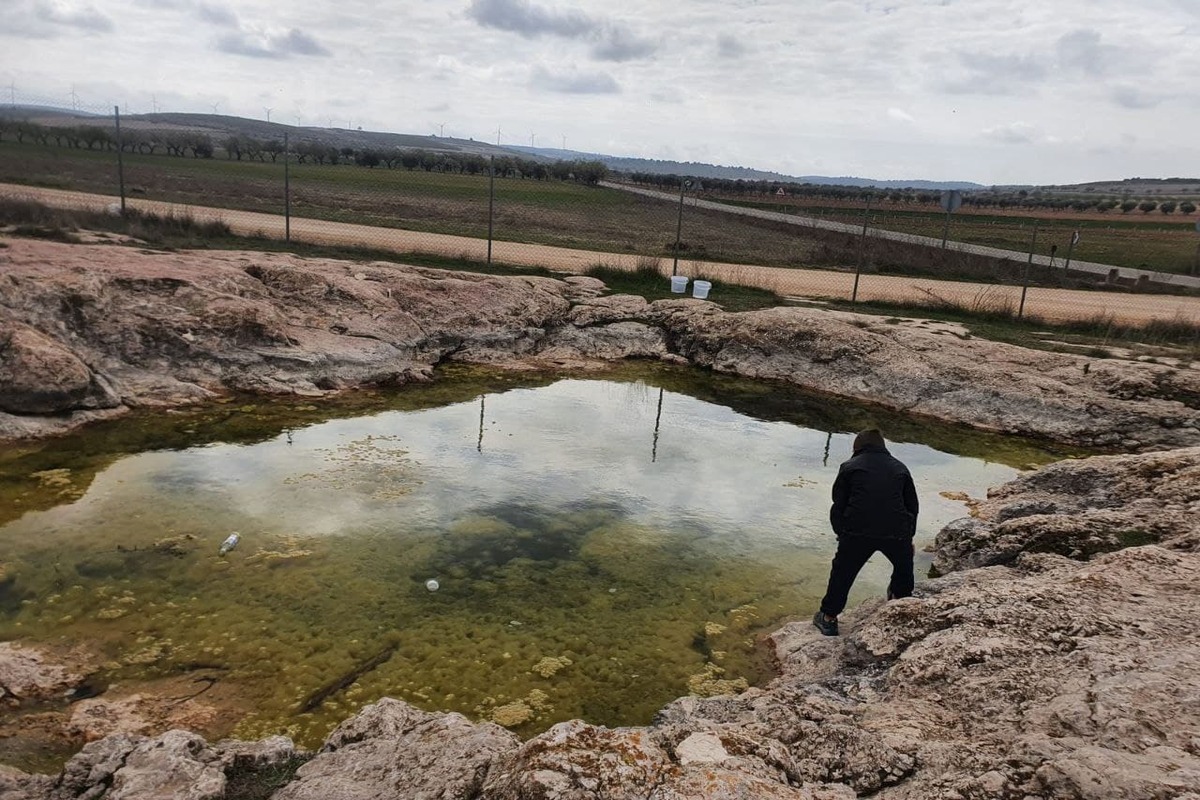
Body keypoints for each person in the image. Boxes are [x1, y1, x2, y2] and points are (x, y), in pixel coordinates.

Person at [813, 429, 918, 636]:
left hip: (858, 531)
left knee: (843, 572)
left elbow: (838, 505)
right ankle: (900, 601)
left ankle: (829, 618)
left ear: (856, 447)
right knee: (904, 564)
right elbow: (912, 506)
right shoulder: (900, 468)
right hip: (895, 531)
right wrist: (908, 537)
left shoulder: (850, 467)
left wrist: (842, 533)